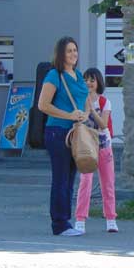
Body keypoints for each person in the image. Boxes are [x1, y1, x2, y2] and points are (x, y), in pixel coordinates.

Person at [38, 36, 90, 236]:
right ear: (61, 54)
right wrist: (69, 115)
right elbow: (43, 105)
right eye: (69, 51)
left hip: (75, 133)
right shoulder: (54, 75)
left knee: (69, 180)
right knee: (60, 179)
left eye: (75, 50)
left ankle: (66, 222)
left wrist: (85, 115)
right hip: (57, 132)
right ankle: (59, 224)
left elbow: (86, 102)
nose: (73, 54)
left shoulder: (78, 75)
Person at [75, 67, 118, 234]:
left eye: (92, 80)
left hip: (103, 145)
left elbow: (103, 124)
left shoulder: (105, 102)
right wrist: (84, 108)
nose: (88, 83)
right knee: (85, 181)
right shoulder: (80, 101)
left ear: (98, 82)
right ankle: (80, 219)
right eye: (86, 80)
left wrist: (92, 109)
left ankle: (111, 219)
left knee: (107, 183)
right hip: (86, 147)